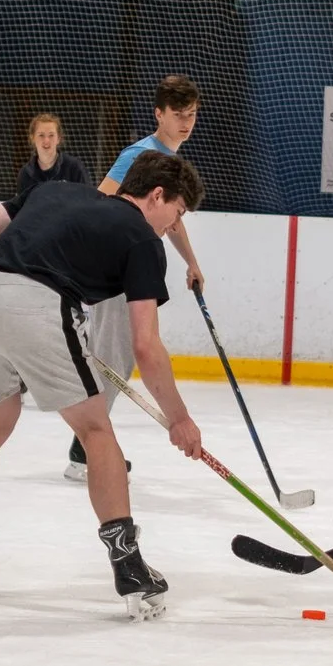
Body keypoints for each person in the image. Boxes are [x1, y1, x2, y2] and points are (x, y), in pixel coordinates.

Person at [0, 152, 209, 619]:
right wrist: (179, 419)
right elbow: (145, 345)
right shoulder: (142, 239)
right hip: (37, 306)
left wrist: (10, 287)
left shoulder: (54, 190)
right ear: (157, 195)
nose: (172, 226)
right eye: (176, 213)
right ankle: (130, 568)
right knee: (95, 430)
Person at [62, 75, 210, 483]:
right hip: (118, 266)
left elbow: (170, 217)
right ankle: (84, 449)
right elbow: (101, 199)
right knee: (115, 357)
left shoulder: (169, 158)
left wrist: (191, 262)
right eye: (178, 115)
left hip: (130, 265)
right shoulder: (139, 154)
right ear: (159, 114)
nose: (186, 123)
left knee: (118, 357)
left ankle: (85, 443)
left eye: (192, 115)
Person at [6, 112, 90, 219]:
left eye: (51, 135)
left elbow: (87, 201)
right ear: (32, 138)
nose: (46, 141)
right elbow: (21, 212)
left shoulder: (74, 167)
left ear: (58, 138)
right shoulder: (25, 173)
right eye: (41, 135)